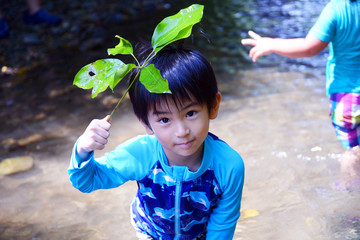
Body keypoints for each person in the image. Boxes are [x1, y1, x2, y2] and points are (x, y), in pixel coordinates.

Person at [68, 43, 245, 239]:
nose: (182, 131)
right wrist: (83, 148)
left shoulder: (228, 166)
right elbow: (87, 181)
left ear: (213, 106)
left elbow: (222, 227)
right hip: (150, 232)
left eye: (191, 113)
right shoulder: (141, 154)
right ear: (146, 124)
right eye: (164, 120)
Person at [241, 0, 360, 190]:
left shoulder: (337, 9)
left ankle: (347, 192)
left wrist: (271, 44)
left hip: (347, 99)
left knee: (352, 151)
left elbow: (309, 48)